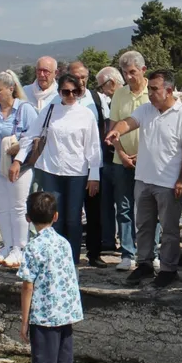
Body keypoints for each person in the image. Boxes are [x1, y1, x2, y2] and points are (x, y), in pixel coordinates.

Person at [105, 69, 182, 289]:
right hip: (144, 180)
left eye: (154, 89)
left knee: (169, 229)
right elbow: (128, 122)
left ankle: (168, 269)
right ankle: (144, 264)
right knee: (144, 225)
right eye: (150, 89)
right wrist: (117, 131)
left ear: (168, 90)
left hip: (168, 182)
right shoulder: (146, 109)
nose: (150, 93)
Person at [13, 73, 102, 263]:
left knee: (73, 219)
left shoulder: (86, 114)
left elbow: (93, 147)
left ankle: (73, 262)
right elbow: (30, 135)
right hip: (51, 170)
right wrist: (18, 160)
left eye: (75, 92)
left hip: (77, 172)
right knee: (54, 218)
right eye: (66, 92)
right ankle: (55, 260)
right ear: (59, 92)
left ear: (80, 91)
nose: (70, 96)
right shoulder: (50, 110)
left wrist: (94, 175)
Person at [18, 191, 84, 363]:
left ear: (28, 218)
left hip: (44, 315)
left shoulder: (34, 247)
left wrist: (24, 321)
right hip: (65, 312)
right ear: (56, 216)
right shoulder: (64, 243)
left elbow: (27, 284)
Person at [0, 70, 39, 269]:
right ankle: (7, 244)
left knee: (18, 207)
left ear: (11, 89)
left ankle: (20, 247)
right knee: (1, 207)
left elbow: (33, 137)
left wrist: (18, 156)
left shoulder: (25, 109)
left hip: (19, 167)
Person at [108, 51, 151, 271]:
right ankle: (127, 253)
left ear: (143, 70)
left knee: (150, 207)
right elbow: (114, 126)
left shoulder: (152, 94)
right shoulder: (119, 95)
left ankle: (151, 251)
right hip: (121, 159)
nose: (129, 77)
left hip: (149, 160)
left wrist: (142, 154)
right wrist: (122, 153)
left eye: (132, 72)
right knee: (124, 207)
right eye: (125, 73)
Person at [69, 61, 112, 268]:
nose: (80, 81)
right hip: (70, 165)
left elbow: (105, 126)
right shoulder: (61, 99)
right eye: (76, 77)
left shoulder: (97, 99)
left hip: (94, 161)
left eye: (84, 77)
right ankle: (71, 253)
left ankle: (94, 254)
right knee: (72, 211)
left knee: (95, 210)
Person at [95, 67, 125, 255]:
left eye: (101, 86)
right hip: (105, 157)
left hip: (122, 158)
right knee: (104, 203)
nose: (100, 90)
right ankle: (107, 240)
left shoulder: (123, 99)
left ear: (111, 83)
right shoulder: (106, 101)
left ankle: (126, 240)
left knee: (124, 203)